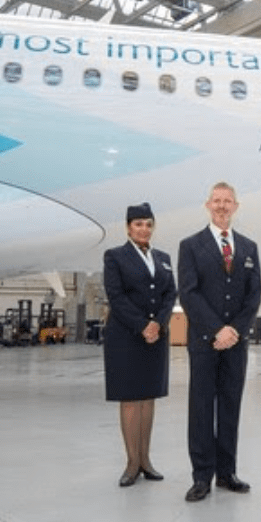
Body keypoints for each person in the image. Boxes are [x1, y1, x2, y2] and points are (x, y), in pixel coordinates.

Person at [177, 182, 261, 502]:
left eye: (227, 201)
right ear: (208, 205)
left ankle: (227, 473)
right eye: (217, 201)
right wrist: (217, 330)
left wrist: (235, 330)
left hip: (236, 344)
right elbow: (189, 293)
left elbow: (254, 294)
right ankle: (202, 476)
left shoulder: (249, 247)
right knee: (201, 408)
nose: (222, 206)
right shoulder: (190, 246)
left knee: (230, 406)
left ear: (235, 206)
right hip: (204, 342)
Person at [102, 202, 177, 488]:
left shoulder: (163, 257)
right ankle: (132, 462)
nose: (144, 229)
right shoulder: (115, 256)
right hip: (126, 336)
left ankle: (146, 460)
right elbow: (116, 296)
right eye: (138, 224)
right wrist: (143, 325)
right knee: (131, 399)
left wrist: (159, 323)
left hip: (156, 336)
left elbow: (170, 293)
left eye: (148, 224)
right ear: (128, 228)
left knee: (148, 398)